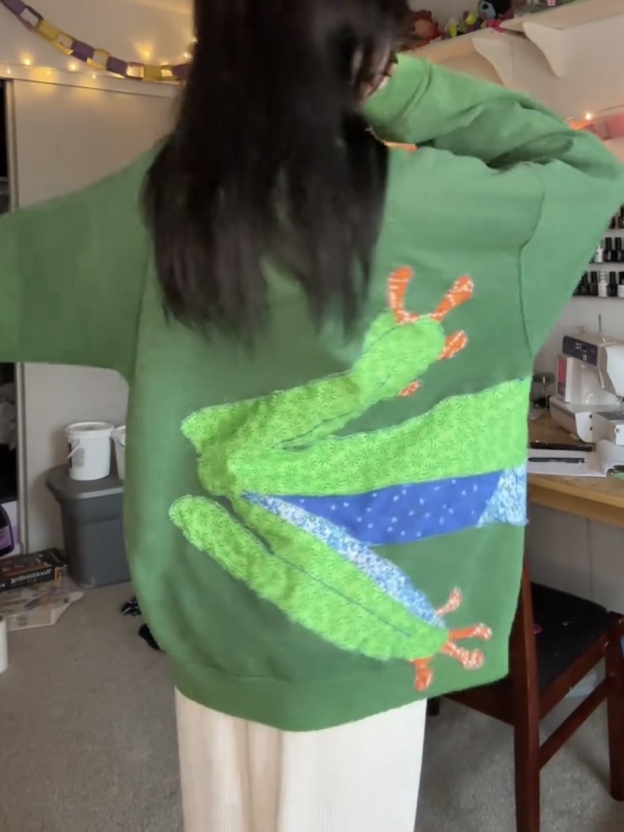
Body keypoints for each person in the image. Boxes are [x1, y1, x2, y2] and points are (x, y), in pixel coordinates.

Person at [1, 1, 623, 830]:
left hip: (212, 626)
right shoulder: (451, 207)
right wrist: (396, 88)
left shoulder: (158, 206)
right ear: (368, 46)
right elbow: (586, 166)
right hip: (359, 658)